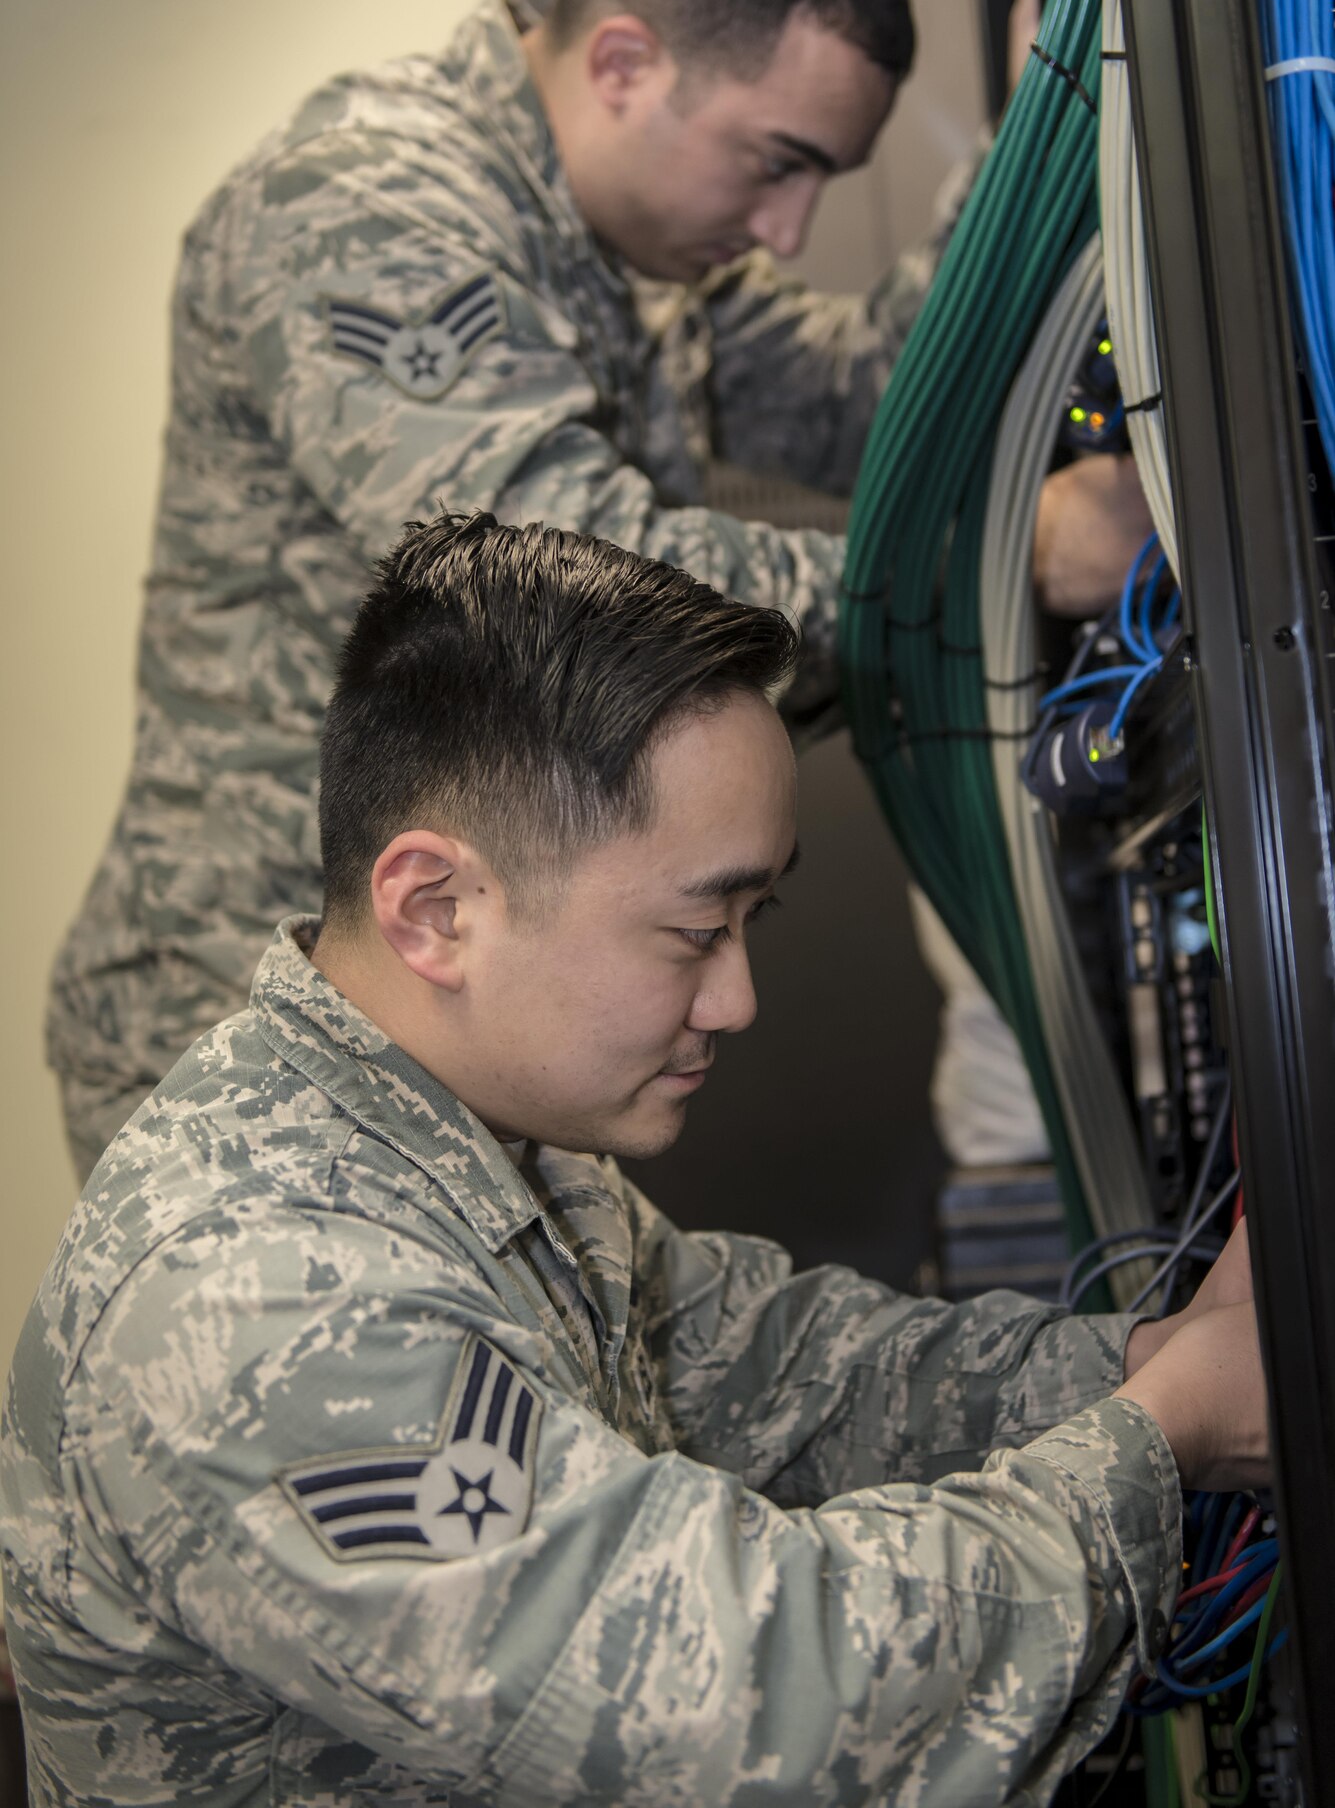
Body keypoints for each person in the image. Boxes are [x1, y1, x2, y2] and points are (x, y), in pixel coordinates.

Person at [4, 513, 1267, 1807]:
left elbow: (786, 1378)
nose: (737, 1000)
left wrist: (1130, 1365)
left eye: (750, 920)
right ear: (437, 911)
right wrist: (1158, 1438)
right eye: (695, 929)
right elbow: (762, 1711)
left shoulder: (474, 1138)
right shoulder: (260, 1301)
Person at [47, 0, 1149, 1183]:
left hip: (460, 1003)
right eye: (774, 161)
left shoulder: (628, 249)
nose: (791, 228)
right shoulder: (361, 203)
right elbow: (552, 577)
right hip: (252, 1027)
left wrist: (1041, 121)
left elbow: (880, 390)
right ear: (625, 62)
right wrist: (1017, 553)